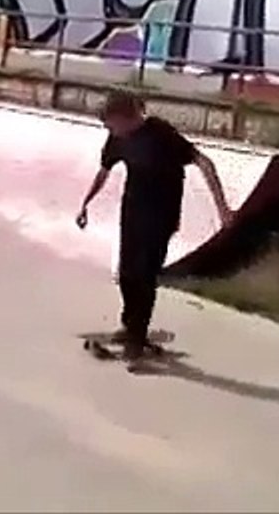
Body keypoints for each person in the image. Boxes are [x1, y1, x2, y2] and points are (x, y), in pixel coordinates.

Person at [75, 91, 233, 361]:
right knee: (125, 273)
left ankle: (136, 339)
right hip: (133, 211)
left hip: (161, 216)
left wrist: (222, 209)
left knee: (144, 275)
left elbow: (204, 163)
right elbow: (104, 171)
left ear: (126, 117)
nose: (109, 131)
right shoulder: (117, 138)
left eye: (111, 124)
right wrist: (85, 203)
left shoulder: (161, 134)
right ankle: (130, 325)